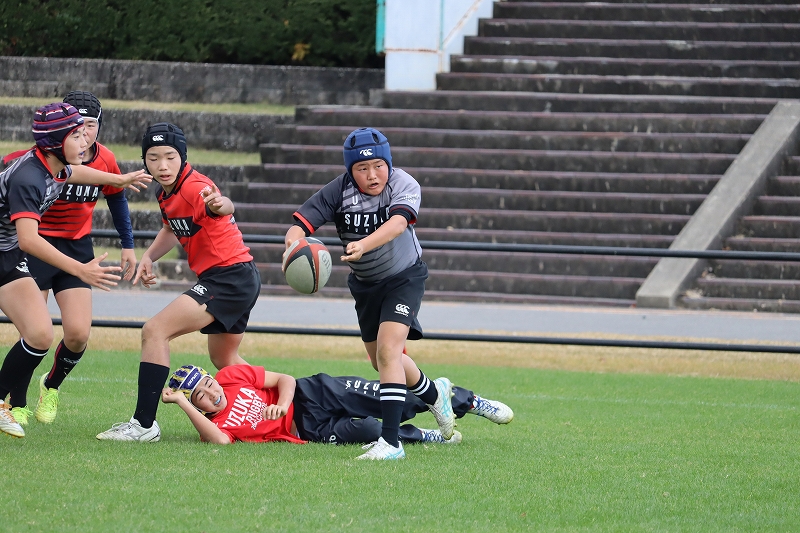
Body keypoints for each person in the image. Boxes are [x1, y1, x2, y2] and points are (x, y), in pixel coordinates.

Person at [284, 127, 454, 460]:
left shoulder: (403, 183)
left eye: (378, 166)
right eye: (362, 168)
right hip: (365, 285)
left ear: (388, 163)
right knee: (382, 360)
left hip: (404, 277)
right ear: (351, 171)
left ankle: (390, 444)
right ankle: (436, 395)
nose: (372, 175)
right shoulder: (339, 190)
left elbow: (398, 224)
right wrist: (292, 245)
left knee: (390, 351)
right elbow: (300, 225)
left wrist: (363, 244)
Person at [96, 122, 261, 443]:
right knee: (225, 361)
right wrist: (148, 257)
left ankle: (143, 425)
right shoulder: (165, 193)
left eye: (170, 157)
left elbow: (221, 204)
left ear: (183, 157)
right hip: (238, 276)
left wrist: (219, 203)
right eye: (153, 158)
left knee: (155, 330)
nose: (162, 165)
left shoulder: (195, 186)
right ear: (145, 161)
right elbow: (171, 228)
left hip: (229, 277)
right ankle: (274, 407)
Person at [0, 102, 150, 438]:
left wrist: (119, 179)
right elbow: (28, 239)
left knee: (39, 335)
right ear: (56, 142)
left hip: (7, 256)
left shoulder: (54, 165)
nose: (86, 141)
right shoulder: (28, 177)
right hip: (13, 251)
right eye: (77, 135)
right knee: (37, 333)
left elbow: (77, 174)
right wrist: (80, 270)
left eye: (85, 133)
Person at [161, 363, 513, 446]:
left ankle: (469, 401)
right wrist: (180, 402)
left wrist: (282, 404)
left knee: (394, 400)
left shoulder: (231, 376)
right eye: (201, 396)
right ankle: (425, 436)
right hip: (308, 429)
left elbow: (285, 379)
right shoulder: (212, 424)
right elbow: (221, 442)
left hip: (312, 393)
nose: (212, 393)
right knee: (371, 432)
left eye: (208, 383)